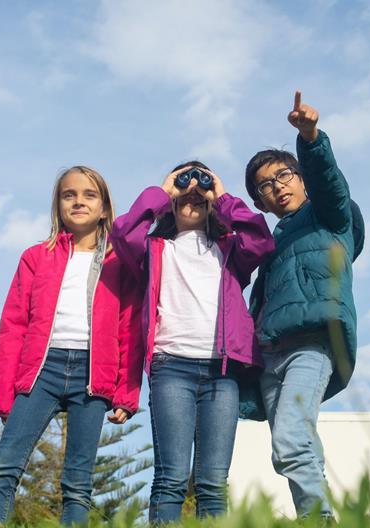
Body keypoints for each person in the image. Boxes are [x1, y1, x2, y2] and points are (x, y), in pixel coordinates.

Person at [110, 161, 274, 523]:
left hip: (222, 370)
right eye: (185, 183)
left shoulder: (230, 249)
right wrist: (162, 192)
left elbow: (261, 241)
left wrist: (223, 196)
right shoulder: (155, 249)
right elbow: (122, 234)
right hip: (172, 368)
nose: (193, 191)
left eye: (202, 183)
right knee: (170, 477)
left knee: (214, 482)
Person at [0, 166, 143, 526]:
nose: (78, 201)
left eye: (89, 195)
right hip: (41, 371)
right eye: (69, 195)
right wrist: (2, 392)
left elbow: (130, 329)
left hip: (93, 375)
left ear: (104, 207)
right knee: (4, 468)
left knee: (78, 483)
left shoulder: (122, 262)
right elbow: (12, 326)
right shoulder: (36, 257)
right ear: (58, 206)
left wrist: (126, 393)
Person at [243, 91, 365, 518]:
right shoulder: (269, 245)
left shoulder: (331, 216)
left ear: (300, 178)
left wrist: (310, 138)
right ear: (260, 202)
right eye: (266, 186)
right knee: (297, 449)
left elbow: (329, 182)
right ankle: (321, 516)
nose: (277, 188)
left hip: (312, 346)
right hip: (270, 355)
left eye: (284, 177)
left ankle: (319, 520)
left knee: (291, 442)